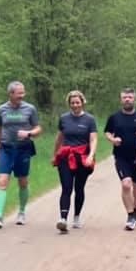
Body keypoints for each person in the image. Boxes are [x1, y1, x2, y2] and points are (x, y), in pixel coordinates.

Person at [0, 80, 42, 229]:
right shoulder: (1, 109)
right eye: (19, 93)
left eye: (23, 93)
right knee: (2, 181)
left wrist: (29, 133)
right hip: (6, 149)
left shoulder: (30, 109)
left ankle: (22, 212)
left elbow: (38, 129)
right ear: (10, 94)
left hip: (23, 149)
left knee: (22, 181)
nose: (22, 96)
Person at [104, 88, 136, 230]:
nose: (127, 100)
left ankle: (134, 210)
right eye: (125, 97)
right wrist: (113, 140)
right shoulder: (114, 117)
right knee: (126, 184)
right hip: (121, 157)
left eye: (130, 97)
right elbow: (107, 132)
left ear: (134, 99)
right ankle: (130, 215)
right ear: (121, 100)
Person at [51, 90, 97, 233]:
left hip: (82, 157)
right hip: (66, 156)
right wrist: (55, 154)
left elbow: (93, 139)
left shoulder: (89, 119)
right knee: (66, 187)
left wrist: (91, 155)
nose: (75, 105)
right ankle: (63, 219)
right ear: (69, 104)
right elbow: (59, 138)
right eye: (72, 103)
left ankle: (76, 217)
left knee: (79, 188)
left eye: (77, 102)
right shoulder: (64, 118)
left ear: (82, 103)